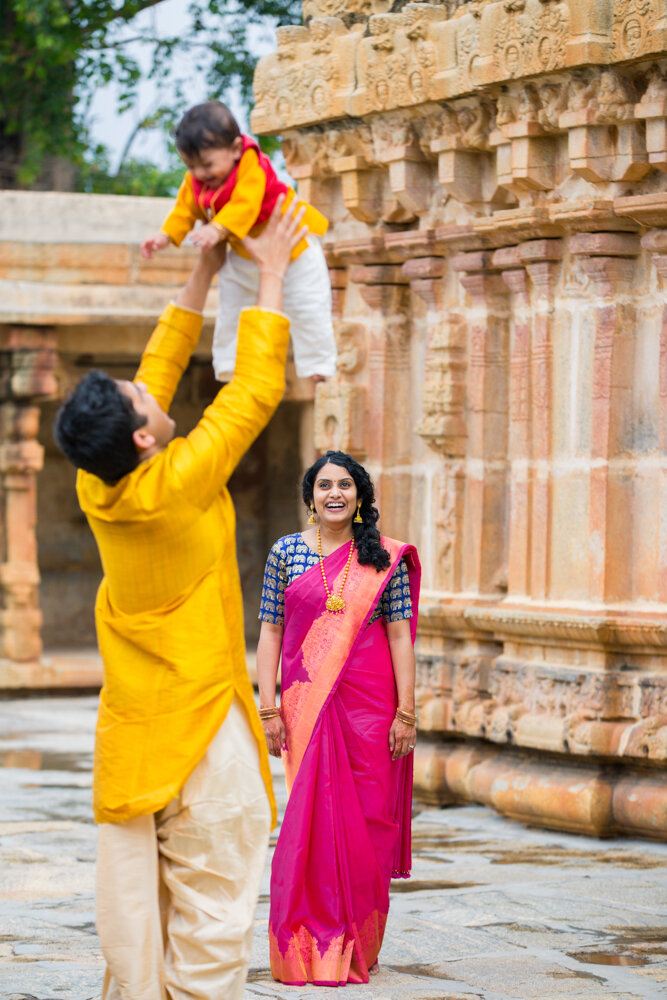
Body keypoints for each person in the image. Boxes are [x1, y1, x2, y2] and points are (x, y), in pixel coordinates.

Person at [53, 197, 307, 1000]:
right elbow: (252, 393)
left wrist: (201, 269)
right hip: (202, 741)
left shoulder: (101, 483)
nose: (146, 386)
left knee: (138, 922)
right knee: (210, 923)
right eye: (137, 399)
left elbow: (157, 372)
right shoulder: (178, 482)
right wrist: (269, 271)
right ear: (142, 437)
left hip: (135, 738)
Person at [256, 450, 421, 985]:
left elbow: (400, 637)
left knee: (369, 825)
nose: (334, 493)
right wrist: (268, 706)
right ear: (310, 497)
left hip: (371, 711)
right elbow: (270, 634)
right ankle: (308, 946)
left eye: (345, 485)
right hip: (306, 705)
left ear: (360, 497)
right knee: (310, 821)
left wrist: (406, 713)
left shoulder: (382, 558)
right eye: (324, 484)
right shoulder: (285, 553)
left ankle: (359, 943)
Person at [141, 100, 337, 382]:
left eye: (207, 164)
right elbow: (184, 209)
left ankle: (318, 364)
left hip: (294, 252)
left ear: (235, 149)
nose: (200, 174)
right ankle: (229, 363)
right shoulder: (198, 179)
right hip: (243, 255)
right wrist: (165, 236)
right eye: (191, 166)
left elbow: (247, 204)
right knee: (231, 309)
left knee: (308, 307)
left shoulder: (251, 167)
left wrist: (218, 230)